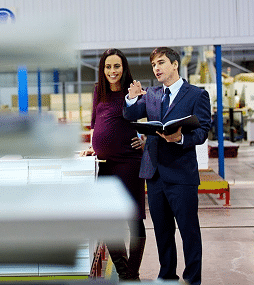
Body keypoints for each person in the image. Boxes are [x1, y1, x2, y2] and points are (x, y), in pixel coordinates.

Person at [123, 47, 211, 285]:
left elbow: (203, 130)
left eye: (161, 63)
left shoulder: (196, 95)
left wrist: (181, 138)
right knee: (162, 232)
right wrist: (131, 98)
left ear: (175, 65)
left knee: (188, 231)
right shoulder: (151, 95)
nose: (157, 68)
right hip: (154, 174)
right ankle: (167, 276)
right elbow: (130, 115)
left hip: (182, 174)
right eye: (153, 65)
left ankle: (192, 278)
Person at [81, 48, 146, 281]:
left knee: (133, 220)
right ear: (103, 69)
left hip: (129, 163)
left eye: (116, 66)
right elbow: (95, 124)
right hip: (104, 164)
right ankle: (124, 272)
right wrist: (93, 146)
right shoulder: (99, 91)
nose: (112, 71)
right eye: (108, 67)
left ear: (124, 67)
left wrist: (146, 139)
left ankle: (132, 275)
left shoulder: (133, 92)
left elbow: (154, 118)